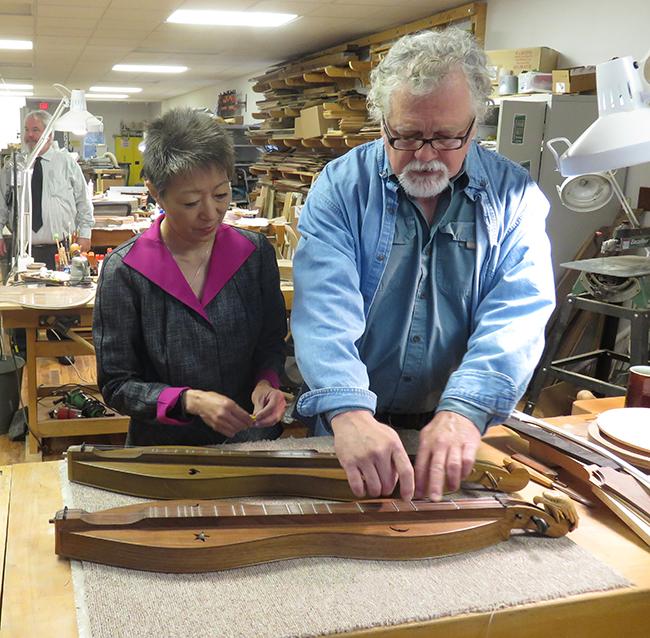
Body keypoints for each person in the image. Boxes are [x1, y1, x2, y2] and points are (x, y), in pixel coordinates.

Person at [291, 28, 555, 503]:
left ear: (474, 127)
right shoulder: (341, 187)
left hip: (455, 428)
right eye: (408, 136)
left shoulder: (515, 198)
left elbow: (517, 313)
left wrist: (467, 408)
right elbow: (323, 308)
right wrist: (348, 409)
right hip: (353, 426)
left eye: (448, 137)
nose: (427, 155)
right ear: (381, 123)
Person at [93, 108, 287, 446]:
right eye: (191, 201)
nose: (210, 213)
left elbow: (271, 342)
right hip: (165, 451)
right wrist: (190, 401)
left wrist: (267, 383)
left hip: (251, 441)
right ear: (155, 192)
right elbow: (117, 384)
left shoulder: (254, 254)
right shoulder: (126, 270)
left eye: (221, 195)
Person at [0, 110, 94, 268]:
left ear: (49, 135)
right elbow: (1, 203)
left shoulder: (66, 163)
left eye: (35, 130)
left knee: (61, 292)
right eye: (26, 129)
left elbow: (83, 202)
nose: (29, 135)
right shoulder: (14, 166)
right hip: (23, 250)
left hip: (60, 250)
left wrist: (85, 234)